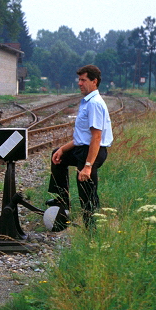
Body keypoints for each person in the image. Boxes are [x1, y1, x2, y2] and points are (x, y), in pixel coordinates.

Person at [48, 64, 113, 226]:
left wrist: (88, 166)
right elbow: (82, 137)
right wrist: (62, 149)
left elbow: (96, 138)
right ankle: (62, 202)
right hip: (82, 148)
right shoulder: (86, 102)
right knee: (58, 156)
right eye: (79, 80)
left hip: (92, 151)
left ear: (94, 81)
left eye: (83, 80)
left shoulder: (94, 103)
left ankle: (91, 230)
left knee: (86, 193)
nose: (79, 83)